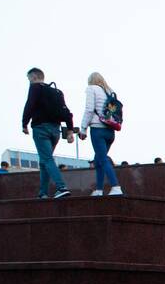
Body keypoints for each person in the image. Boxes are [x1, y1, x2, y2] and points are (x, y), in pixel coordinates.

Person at [21, 67, 75, 199]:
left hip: (41, 129)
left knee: (47, 159)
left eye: (29, 79)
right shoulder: (57, 91)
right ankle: (43, 192)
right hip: (55, 130)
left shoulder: (35, 88)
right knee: (43, 161)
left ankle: (61, 187)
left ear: (33, 78)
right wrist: (70, 130)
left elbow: (30, 104)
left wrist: (24, 123)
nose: (29, 82)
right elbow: (66, 111)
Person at [77, 71, 124, 197]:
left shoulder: (91, 89)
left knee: (102, 160)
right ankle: (98, 189)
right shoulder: (110, 92)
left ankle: (116, 186)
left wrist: (83, 128)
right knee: (98, 160)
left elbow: (89, 109)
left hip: (98, 129)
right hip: (110, 130)